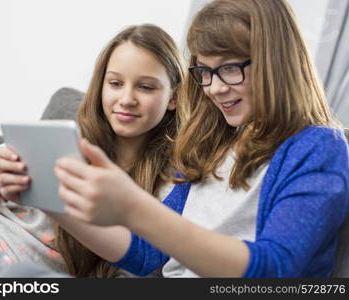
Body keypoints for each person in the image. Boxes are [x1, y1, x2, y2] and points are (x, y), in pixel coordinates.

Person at [46, 0, 349, 277]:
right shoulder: (209, 144)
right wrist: (52, 203)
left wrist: (135, 207)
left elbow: (275, 268)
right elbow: (146, 254)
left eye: (230, 69)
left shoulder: (318, 148)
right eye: (205, 71)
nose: (215, 88)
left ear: (275, 63)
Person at [0, 24, 184, 277]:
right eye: (116, 83)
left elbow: (142, 264)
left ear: (173, 97)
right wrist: (1, 165)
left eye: (146, 87)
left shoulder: (170, 188)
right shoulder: (61, 138)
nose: (127, 99)